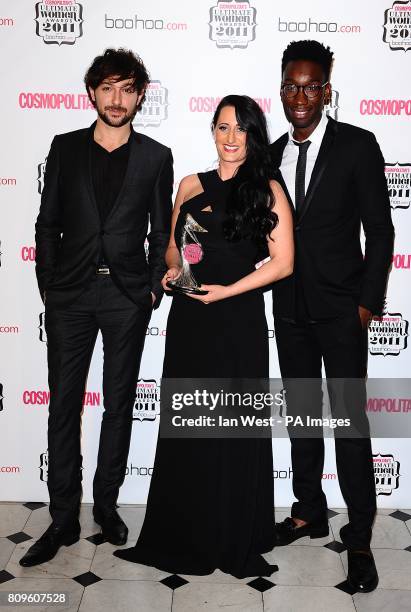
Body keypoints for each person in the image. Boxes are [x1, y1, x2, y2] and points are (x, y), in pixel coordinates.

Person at [113, 95, 294, 578]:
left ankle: (233, 534)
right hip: (191, 320)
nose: (230, 138)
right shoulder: (191, 183)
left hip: (237, 322)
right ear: (212, 131)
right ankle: (182, 532)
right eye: (222, 127)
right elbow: (174, 248)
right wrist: (175, 274)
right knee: (189, 430)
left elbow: (284, 263)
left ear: (253, 136)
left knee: (230, 429)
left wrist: (228, 291)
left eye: (241, 129)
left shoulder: (268, 190)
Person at [20, 48, 173, 567]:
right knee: (63, 404)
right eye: (107, 87)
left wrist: (152, 287)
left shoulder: (156, 157)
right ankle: (62, 516)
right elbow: (46, 223)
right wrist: (48, 282)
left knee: (119, 405)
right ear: (91, 92)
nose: (116, 99)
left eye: (127, 89)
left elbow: (161, 232)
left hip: (128, 298)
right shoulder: (64, 148)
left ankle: (105, 505)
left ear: (139, 97)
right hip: (70, 295)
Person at [270, 40, 394, 592]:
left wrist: (368, 300)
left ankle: (361, 534)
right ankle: (308, 510)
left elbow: (381, 230)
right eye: (291, 86)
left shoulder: (358, 146)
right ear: (282, 90)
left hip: (344, 310)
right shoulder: (269, 154)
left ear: (326, 90)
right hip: (290, 311)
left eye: (310, 85)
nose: (300, 96)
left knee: (349, 422)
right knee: (301, 416)